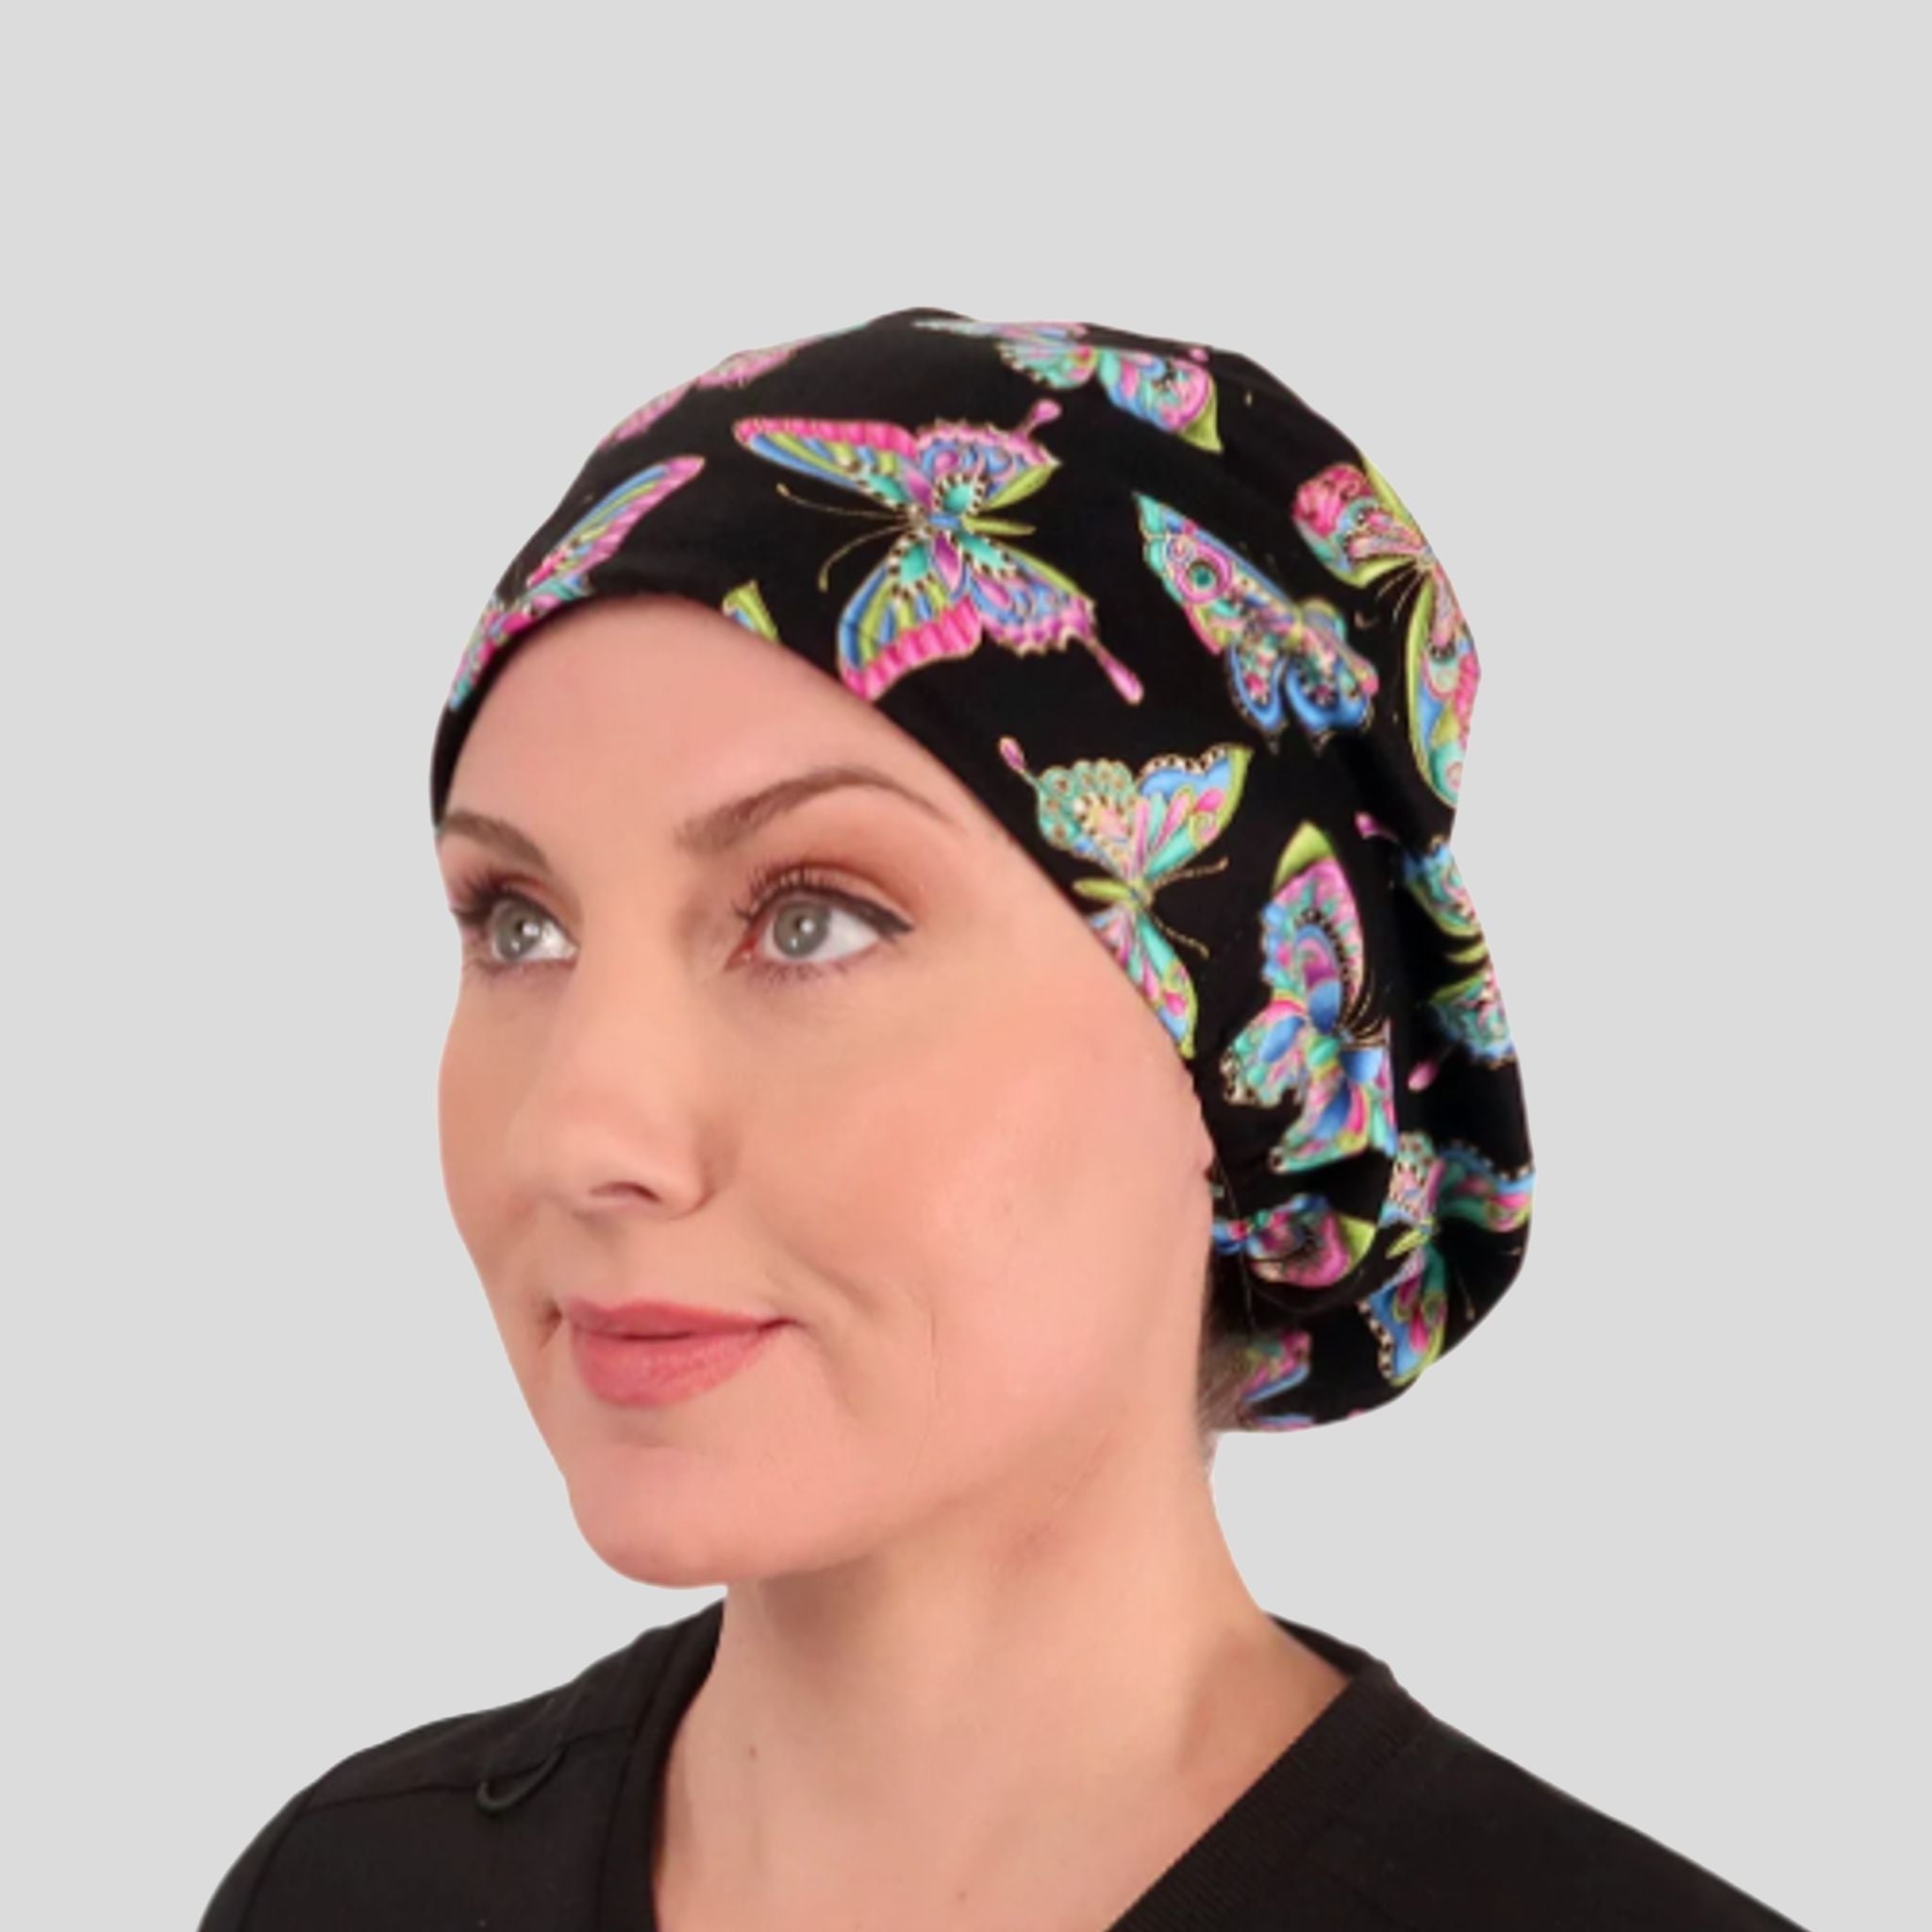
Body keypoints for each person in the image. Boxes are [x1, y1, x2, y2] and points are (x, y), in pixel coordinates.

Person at [197, 308, 1807, 1930]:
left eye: (813, 918)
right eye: (518, 924)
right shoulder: (350, 1891)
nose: (577, 1135)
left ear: (1239, 1053)